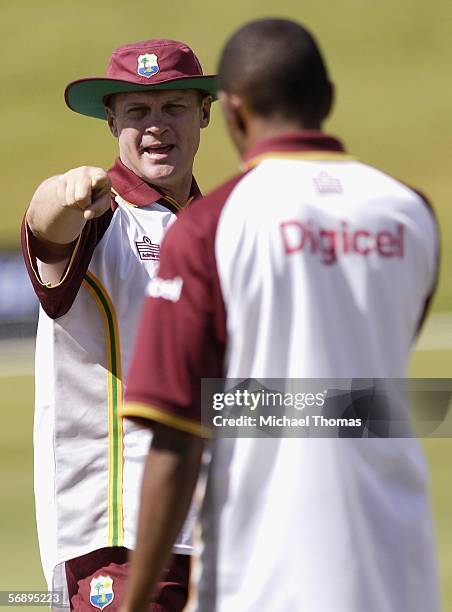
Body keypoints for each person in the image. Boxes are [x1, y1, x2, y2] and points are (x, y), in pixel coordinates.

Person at [120, 18, 440, 612]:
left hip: (265, 576)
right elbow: (363, 392)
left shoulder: (209, 226)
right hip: (402, 576)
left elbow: (174, 436)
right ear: (328, 100)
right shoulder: (411, 213)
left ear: (234, 112)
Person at [21, 38, 215, 611]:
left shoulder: (219, 228)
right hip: (114, 539)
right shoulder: (101, 215)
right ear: (112, 121)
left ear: (203, 114)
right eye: (137, 111)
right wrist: (67, 191)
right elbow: (44, 226)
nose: (156, 126)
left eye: (173, 107)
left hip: (216, 537)